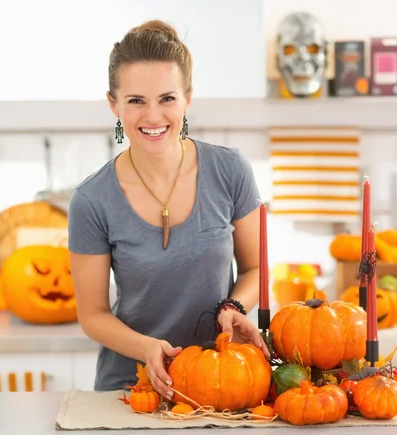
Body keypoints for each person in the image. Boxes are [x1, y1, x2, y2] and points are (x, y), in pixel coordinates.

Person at [68, 19, 268, 400]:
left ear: (187, 98)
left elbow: (257, 267)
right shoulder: (92, 200)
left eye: (167, 99)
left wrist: (233, 306)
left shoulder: (230, 170)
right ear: (114, 104)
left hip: (221, 380)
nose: (153, 117)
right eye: (136, 101)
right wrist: (146, 349)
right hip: (132, 388)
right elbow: (93, 315)